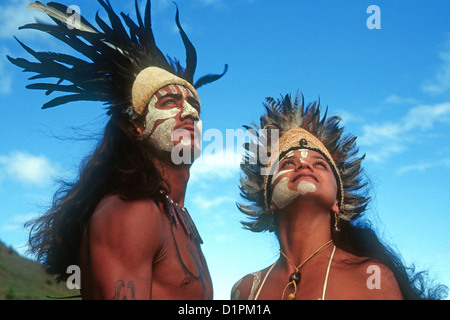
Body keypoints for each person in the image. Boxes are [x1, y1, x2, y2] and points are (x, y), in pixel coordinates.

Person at [8, 0, 226, 299]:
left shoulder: (176, 215)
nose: (190, 112)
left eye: (194, 105)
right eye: (169, 102)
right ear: (135, 127)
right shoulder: (132, 211)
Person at [231, 93, 447, 300]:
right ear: (270, 201)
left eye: (320, 164)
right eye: (288, 163)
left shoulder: (373, 277)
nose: (304, 164)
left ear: (338, 201)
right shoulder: (246, 289)